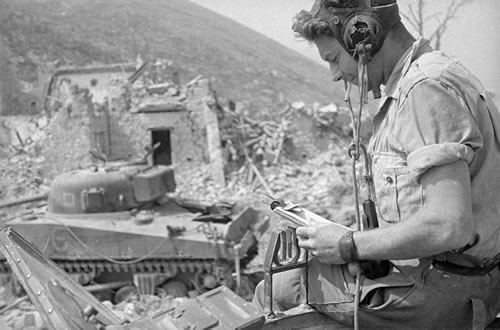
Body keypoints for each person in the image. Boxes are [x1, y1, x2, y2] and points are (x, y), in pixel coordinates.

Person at [252, 0, 500, 328]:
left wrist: (348, 245)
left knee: (277, 289)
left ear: (363, 37)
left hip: (441, 290)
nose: (335, 74)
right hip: (457, 278)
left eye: (334, 58)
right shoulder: (431, 74)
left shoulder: (423, 89)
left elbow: (448, 225)